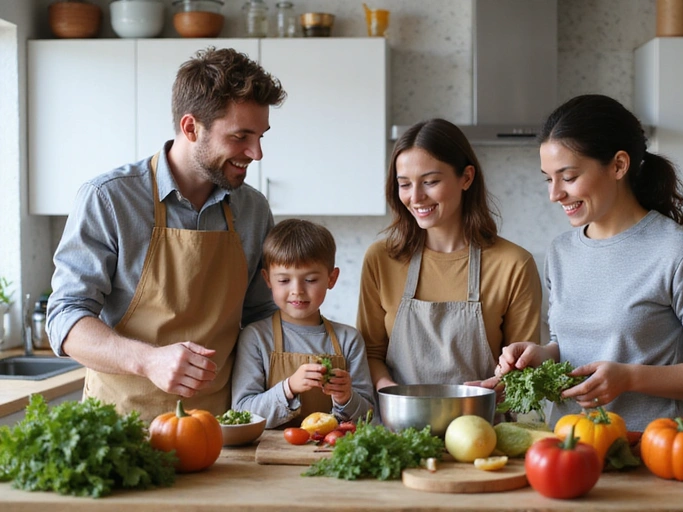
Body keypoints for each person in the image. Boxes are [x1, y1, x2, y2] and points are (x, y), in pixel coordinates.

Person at [46, 47, 286, 422]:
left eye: (260, 136)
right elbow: (65, 318)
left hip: (222, 428)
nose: (256, 153)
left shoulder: (252, 209)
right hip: (121, 425)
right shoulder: (109, 198)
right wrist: (148, 360)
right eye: (241, 136)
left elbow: (263, 315)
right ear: (191, 127)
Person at [494, 94, 683, 431]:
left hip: (652, 451)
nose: (554, 194)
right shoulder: (561, 252)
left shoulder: (679, 253)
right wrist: (542, 355)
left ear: (618, 165)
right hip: (569, 447)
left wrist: (629, 377)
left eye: (568, 177)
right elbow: (571, 346)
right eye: (548, 178)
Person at [357, 118, 543, 391]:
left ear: (466, 178)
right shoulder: (381, 259)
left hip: (484, 427)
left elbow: (524, 367)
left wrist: (501, 386)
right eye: (405, 184)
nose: (416, 197)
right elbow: (369, 353)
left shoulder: (514, 264)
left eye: (430, 181)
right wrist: (393, 395)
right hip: (399, 427)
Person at [232, 219, 375, 428]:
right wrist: (289, 388)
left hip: (330, 452)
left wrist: (346, 398)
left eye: (310, 280)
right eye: (284, 280)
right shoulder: (255, 337)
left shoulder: (349, 340)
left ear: (332, 278)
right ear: (267, 279)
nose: (297, 290)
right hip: (272, 452)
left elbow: (368, 416)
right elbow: (242, 412)